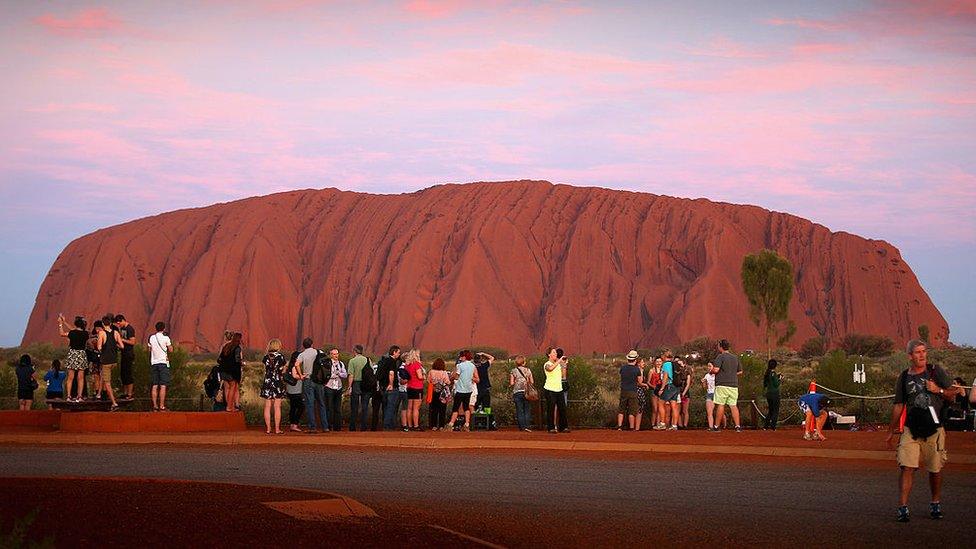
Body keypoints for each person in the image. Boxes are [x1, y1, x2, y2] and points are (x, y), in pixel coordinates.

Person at [886, 339, 959, 522]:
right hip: (911, 429)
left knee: (935, 469)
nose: (922, 355)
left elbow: (953, 394)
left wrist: (938, 390)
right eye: (917, 352)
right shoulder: (904, 377)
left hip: (934, 429)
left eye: (924, 351)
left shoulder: (935, 371)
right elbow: (898, 405)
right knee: (907, 467)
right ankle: (903, 507)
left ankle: (935, 503)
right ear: (910, 356)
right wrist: (890, 430)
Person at [709, 339, 743, 431]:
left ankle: (716, 426)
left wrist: (711, 370)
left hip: (722, 385)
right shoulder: (735, 357)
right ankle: (738, 426)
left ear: (720, 346)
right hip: (734, 385)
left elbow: (716, 370)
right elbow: (740, 372)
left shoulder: (720, 357)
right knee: (733, 405)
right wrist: (731, 375)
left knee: (720, 405)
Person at [296, 337, 327, 433]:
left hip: (308, 380)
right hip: (319, 381)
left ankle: (312, 427)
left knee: (310, 404)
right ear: (312, 344)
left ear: (303, 345)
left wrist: (301, 375)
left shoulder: (302, 354)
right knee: (321, 403)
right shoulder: (319, 352)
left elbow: (296, 364)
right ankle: (325, 427)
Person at [57, 314, 88, 402]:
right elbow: (76, 330)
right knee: (80, 378)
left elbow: (62, 333)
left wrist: (61, 324)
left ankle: (69, 396)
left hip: (72, 354)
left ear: (75, 324)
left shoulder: (72, 333)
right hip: (81, 354)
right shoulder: (85, 334)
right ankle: (79, 396)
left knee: (70, 377)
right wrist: (65, 322)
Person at [96, 314, 123, 410]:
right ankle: (99, 394)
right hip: (114, 361)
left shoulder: (101, 333)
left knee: (107, 383)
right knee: (104, 376)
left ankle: (114, 403)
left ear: (103, 324)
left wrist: (102, 349)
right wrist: (114, 345)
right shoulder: (116, 333)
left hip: (106, 361)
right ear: (111, 323)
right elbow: (122, 346)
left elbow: (99, 347)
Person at [260, 339, 287, 435]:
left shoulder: (266, 357)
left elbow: (265, 370)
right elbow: (282, 371)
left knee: (267, 406)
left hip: (267, 382)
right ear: (278, 346)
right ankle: (277, 429)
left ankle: (268, 429)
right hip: (277, 382)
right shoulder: (281, 357)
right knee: (277, 407)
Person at [448, 350, 479, 432]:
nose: (460, 358)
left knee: (456, 408)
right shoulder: (473, 366)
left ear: (464, 357)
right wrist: (470, 378)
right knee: (466, 407)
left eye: (461, 356)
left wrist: (451, 377)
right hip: (469, 390)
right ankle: (467, 424)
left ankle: (450, 424)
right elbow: (477, 379)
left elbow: (456, 377)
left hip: (460, 389)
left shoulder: (459, 365)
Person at [148, 321, 173, 412]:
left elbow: (149, 349)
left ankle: (155, 406)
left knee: (154, 385)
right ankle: (162, 406)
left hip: (154, 363)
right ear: (164, 329)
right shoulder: (166, 338)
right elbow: (171, 350)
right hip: (163, 363)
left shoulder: (151, 337)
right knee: (163, 385)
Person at [543, 347, 569, 433]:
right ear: (549, 354)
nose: (556, 354)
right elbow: (550, 369)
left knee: (562, 409)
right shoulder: (547, 364)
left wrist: (564, 365)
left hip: (559, 389)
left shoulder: (558, 364)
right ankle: (551, 427)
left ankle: (563, 427)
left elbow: (563, 376)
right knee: (551, 409)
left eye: (556, 353)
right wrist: (559, 361)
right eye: (553, 353)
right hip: (550, 390)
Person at [218, 332, 244, 413]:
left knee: (227, 388)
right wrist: (242, 363)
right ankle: (229, 407)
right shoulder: (237, 348)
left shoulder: (226, 346)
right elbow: (237, 360)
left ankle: (230, 406)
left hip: (223, 371)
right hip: (232, 372)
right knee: (233, 388)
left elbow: (219, 359)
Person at [616, 351, 643, 430]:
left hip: (623, 390)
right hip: (633, 391)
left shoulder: (623, 368)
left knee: (621, 409)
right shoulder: (637, 369)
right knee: (632, 410)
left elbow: (622, 376)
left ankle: (619, 426)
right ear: (635, 359)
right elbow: (640, 382)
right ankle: (631, 428)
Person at [346, 345, 370, 431]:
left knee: (354, 406)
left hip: (356, 383)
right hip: (366, 384)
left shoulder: (352, 361)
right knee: (365, 406)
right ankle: (364, 427)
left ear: (354, 351)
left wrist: (349, 387)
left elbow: (351, 375)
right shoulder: (367, 360)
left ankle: (352, 427)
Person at [377, 346, 401, 430]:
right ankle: (387, 426)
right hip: (391, 387)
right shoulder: (392, 362)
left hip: (383, 387)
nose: (399, 354)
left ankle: (388, 425)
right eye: (398, 352)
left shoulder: (383, 361)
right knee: (391, 407)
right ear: (394, 352)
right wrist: (391, 384)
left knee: (385, 407)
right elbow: (391, 373)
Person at [323, 348, 347, 431]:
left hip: (338, 387)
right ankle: (328, 426)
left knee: (337, 408)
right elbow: (327, 375)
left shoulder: (341, 364)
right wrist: (335, 375)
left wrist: (338, 374)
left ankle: (337, 427)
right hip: (329, 387)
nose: (335, 355)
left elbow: (345, 375)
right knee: (329, 408)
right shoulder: (327, 363)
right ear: (330, 355)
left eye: (337, 354)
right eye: (333, 354)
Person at [114, 314, 137, 400]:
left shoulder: (130, 329)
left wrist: (122, 340)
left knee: (128, 373)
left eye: (119, 323)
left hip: (129, 354)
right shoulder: (122, 329)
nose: (118, 325)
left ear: (123, 320)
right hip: (123, 353)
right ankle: (125, 393)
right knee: (123, 373)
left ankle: (129, 394)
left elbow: (133, 342)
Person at [509, 355, 534, 431]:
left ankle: (522, 427)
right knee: (527, 409)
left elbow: (512, 382)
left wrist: (512, 384)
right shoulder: (528, 370)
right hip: (526, 392)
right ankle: (527, 426)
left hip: (517, 392)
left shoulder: (513, 371)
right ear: (524, 362)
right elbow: (532, 382)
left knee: (519, 410)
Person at [658, 351, 680, 430]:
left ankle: (662, 423)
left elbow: (665, 376)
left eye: (662, 356)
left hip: (669, 386)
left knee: (660, 403)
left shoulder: (666, 364)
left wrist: (662, 388)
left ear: (665, 356)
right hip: (676, 387)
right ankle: (674, 425)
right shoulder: (674, 364)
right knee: (674, 406)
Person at [428, 358, 451, 430]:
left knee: (433, 409)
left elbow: (429, 381)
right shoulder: (444, 373)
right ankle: (441, 426)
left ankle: (433, 426)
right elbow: (448, 382)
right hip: (442, 393)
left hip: (433, 392)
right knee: (442, 409)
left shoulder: (431, 372)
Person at [285, 350, 304, 432]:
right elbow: (294, 375)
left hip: (290, 389)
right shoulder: (294, 366)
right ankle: (295, 424)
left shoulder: (290, 365)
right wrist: (303, 376)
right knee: (301, 407)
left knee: (293, 407)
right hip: (295, 390)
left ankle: (292, 424)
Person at [763, 359, 782, 430]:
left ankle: (766, 426)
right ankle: (773, 426)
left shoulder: (767, 373)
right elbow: (776, 384)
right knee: (775, 410)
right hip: (775, 394)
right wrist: (780, 378)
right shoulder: (773, 373)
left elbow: (766, 383)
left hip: (768, 394)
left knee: (770, 410)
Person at [86, 321, 103, 401]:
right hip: (96, 359)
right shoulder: (94, 336)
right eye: (96, 328)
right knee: (97, 376)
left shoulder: (103, 334)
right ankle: (97, 393)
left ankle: (101, 393)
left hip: (101, 359)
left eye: (99, 328)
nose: (97, 329)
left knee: (101, 377)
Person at [676, 359, 692, 428]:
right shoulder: (676, 373)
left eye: (680, 364)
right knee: (678, 410)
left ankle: (685, 425)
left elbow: (688, 384)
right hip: (677, 392)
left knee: (685, 410)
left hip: (685, 393)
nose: (679, 366)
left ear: (684, 364)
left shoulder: (687, 373)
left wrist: (684, 393)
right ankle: (680, 425)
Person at [649, 358, 664, 429]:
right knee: (655, 409)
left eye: (660, 361)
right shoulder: (652, 370)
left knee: (660, 408)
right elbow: (648, 382)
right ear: (654, 362)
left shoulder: (663, 371)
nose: (658, 363)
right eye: (657, 361)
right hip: (654, 391)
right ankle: (652, 424)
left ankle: (658, 425)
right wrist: (653, 387)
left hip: (661, 391)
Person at [634, 357, 649, 431]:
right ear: (638, 363)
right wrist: (645, 385)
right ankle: (636, 427)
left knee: (638, 409)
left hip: (638, 391)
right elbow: (639, 383)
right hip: (638, 391)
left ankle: (636, 427)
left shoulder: (640, 370)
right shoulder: (639, 371)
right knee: (639, 409)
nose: (644, 364)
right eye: (642, 362)